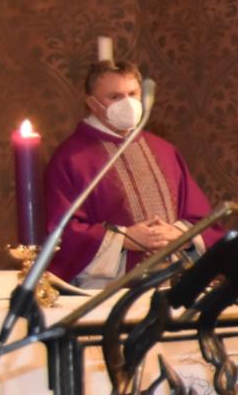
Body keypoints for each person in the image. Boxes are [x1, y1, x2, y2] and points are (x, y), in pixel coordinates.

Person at [43, 60, 220, 286]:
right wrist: (125, 239)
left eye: (132, 94)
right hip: (111, 291)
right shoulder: (71, 159)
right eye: (115, 97)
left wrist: (178, 235)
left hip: (175, 284)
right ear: (92, 103)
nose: (127, 103)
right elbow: (65, 234)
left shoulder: (165, 151)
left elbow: (203, 219)